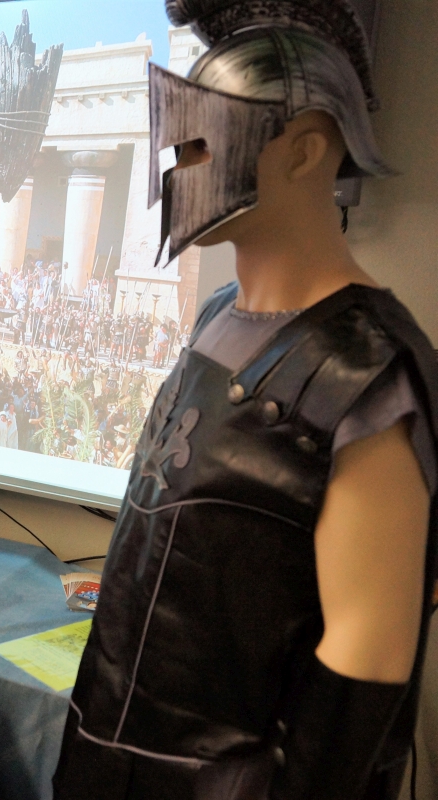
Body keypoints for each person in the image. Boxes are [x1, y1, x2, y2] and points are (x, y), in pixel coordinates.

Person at [55, 2, 437, 798]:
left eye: (202, 143)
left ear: (304, 150)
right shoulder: (216, 318)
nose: (180, 166)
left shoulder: (367, 376)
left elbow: (365, 667)